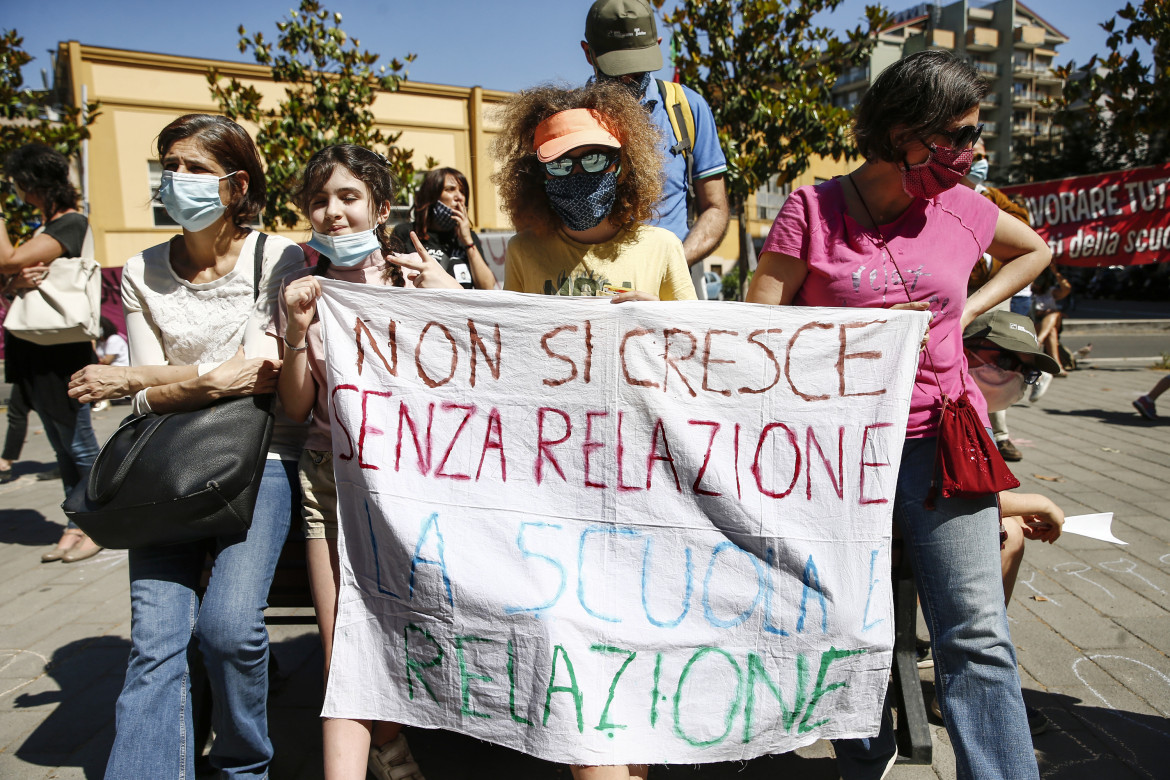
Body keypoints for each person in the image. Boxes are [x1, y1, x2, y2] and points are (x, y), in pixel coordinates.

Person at [746, 50, 1051, 779]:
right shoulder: (812, 212)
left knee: (976, 635)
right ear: (901, 133)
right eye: (959, 136)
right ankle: (864, 751)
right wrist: (863, 335)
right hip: (840, 458)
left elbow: (1036, 250)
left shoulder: (963, 206)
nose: (974, 153)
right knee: (850, 625)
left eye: (975, 135)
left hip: (944, 445)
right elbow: (755, 329)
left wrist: (965, 311)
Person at [66, 113, 305, 779]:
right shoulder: (141, 270)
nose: (175, 179)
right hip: (164, 467)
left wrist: (134, 376)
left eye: (194, 169)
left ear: (236, 186)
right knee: (154, 642)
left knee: (228, 632)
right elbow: (158, 402)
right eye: (169, 165)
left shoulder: (275, 256)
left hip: (265, 460)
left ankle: (241, 766)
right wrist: (169, 383)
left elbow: (256, 373)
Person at [493, 80, 692, 779]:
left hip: (646, 482)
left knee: (639, 641)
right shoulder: (524, 251)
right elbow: (513, 361)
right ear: (534, 174)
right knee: (582, 642)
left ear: (624, 163)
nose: (576, 178)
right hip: (564, 487)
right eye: (559, 165)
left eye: (592, 161)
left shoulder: (662, 246)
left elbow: (700, 366)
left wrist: (658, 322)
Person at [277, 144, 458, 780]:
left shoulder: (411, 280)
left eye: (349, 197)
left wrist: (445, 296)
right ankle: (389, 750)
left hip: (408, 487)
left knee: (402, 632)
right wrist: (297, 334)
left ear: (380, 209)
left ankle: (392, 742)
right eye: (320, 200)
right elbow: (297, 408)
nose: (333, 212)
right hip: (328, 480)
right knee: (341, 651)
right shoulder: (303, 292)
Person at [581, 0, 729, 299]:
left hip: (671, 284)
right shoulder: (569, 117)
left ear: (657, 45)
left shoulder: (688, 108)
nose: (626, 77)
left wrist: (668, 266)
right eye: (616, 66)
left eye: (636, 66)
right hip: (590, 290)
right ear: (588, 53)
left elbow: (715, 208)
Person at [0, 143, 103, 562]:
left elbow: (7, 259)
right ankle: (73, 523)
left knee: (81, 447)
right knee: (62, 449)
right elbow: (12, 275)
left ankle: (100, 523)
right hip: (34, 352)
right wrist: (12, 285)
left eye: (20, 184)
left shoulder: (71, 224)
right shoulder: (44, 229)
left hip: (63, 353)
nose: (18, 192)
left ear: (35, 183)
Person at [962, 161, 1034, 462]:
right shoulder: (948, 198)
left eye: (981, 153)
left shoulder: (993, 199)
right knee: (973, 369)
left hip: (992, 302)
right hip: (961, 305)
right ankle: (977, 432)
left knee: (998, 368)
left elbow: (1030, 240)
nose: (979, 160)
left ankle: (997, 435)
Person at [390, 167, 496, 290]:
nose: (459, 197)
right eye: (450, 190)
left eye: (462, 192)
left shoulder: (468, 237)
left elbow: (487, 288)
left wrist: (468, 242)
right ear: (432, 196)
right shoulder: (406, 232)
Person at [1031, 265, 1072, 378]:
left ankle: (1038, 342)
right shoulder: (1028, 293)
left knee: (1054, 314)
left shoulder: (1050, 292)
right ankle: (1057, 366)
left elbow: (1066, 289)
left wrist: (1056, 273)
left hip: (1050, 322)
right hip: (1036, 324)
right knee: (1051, 331)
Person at [92, 316, 129, 411]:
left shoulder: (114, 339)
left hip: (120, 368)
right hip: (109, 368)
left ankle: (102, 400)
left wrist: (92, 346)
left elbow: (106, 361)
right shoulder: (100, 342)